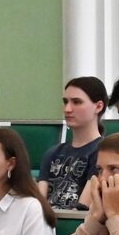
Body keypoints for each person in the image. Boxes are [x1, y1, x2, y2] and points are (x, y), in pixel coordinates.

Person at [41, 76, 107, 210]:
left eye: (77, 102)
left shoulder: (104, 152)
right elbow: (38, 205)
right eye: (65, 102)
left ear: (98, 106)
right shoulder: (52, 153)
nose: (67, 109)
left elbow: (82, 208)